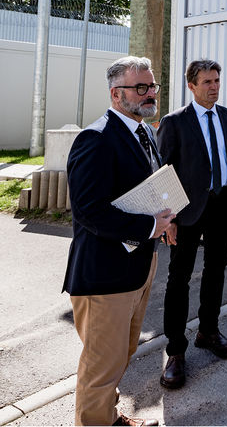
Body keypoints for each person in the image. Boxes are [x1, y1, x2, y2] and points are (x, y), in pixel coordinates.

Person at [64, 56, 174, 426]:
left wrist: (165, 217)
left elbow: (147, 189)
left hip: (138, 267)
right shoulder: (94, 139)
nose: (150, 94)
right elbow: (88, 212)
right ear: (116, 93)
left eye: (152, 86)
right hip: (104, 276)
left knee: (121, 354)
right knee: (101, 365)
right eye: (140, 88)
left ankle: (106, 418)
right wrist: (148, 227)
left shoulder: (146, 132)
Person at [156, 59, 227, 389]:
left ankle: (208, 331)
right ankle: (176, 351)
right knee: (179, 278)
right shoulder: (174, 121)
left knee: (216, 270)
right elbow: (163, 172)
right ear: (192, 86)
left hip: (222, 204)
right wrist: (167, 218)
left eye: (217, 81)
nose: (214, 87)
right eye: (207, 82)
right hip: (187, 211)